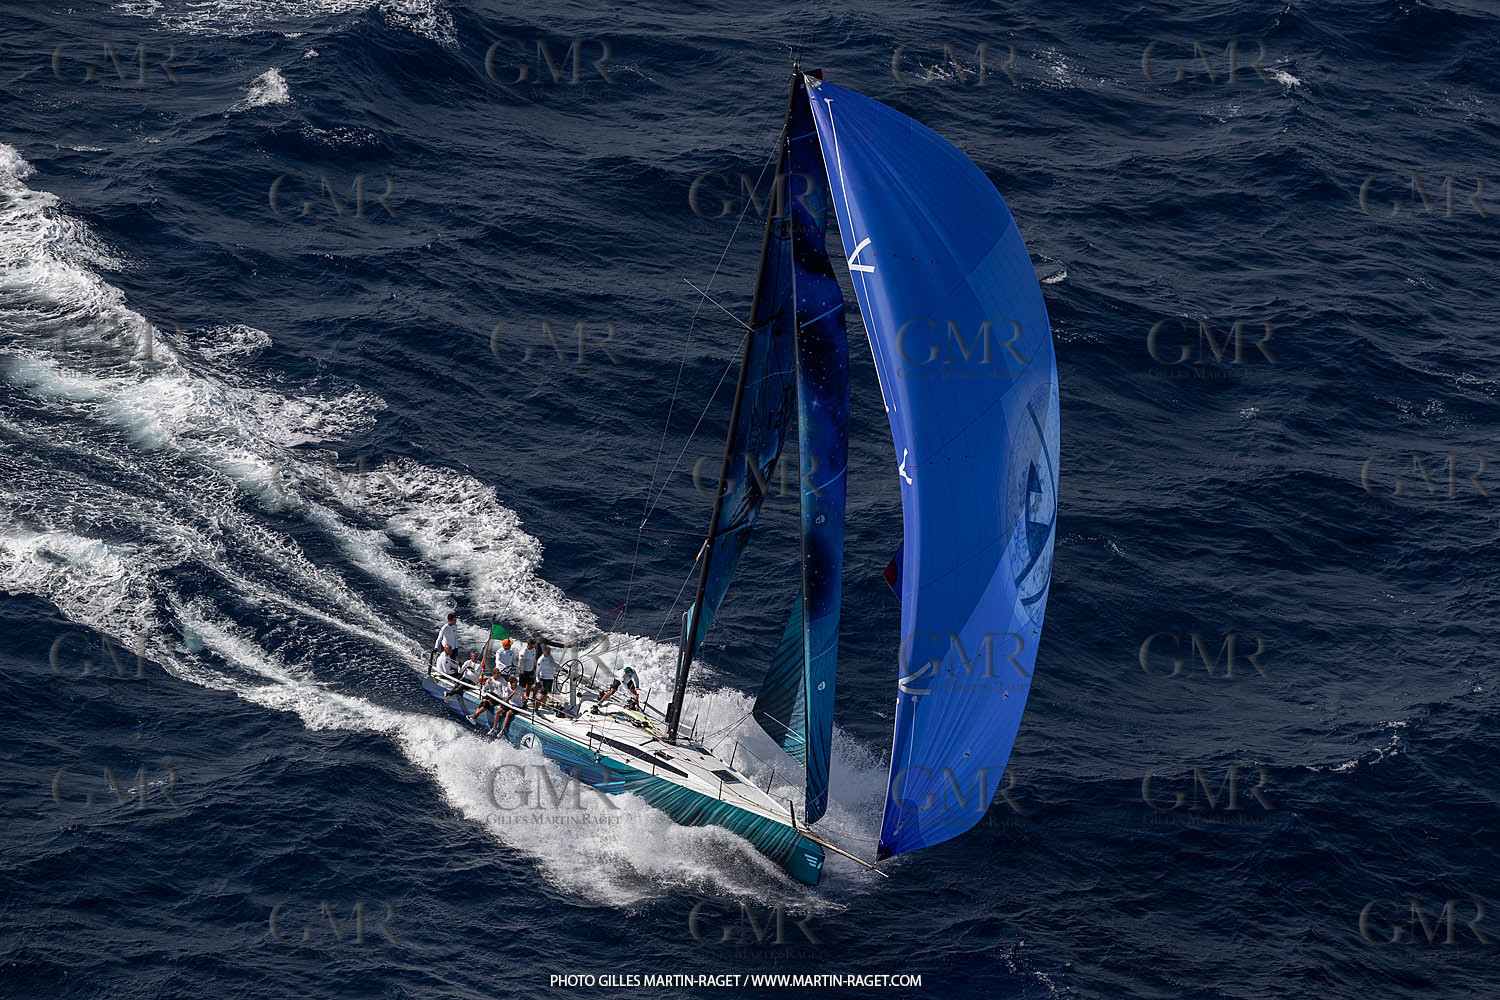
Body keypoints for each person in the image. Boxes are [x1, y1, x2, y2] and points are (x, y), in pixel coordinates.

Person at [535, 646, 559, 711]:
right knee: (543, 693)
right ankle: (536, 709)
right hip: (544, 678)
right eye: (547, 651)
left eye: (549, 650)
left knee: (546, 693)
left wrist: (562, 669)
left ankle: (543, 705)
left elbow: (554, 664)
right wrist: (537, 680)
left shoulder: (550, 657)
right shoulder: (540, 660)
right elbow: (537, 671)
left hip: (550, 678)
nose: (549, 652)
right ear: (543, 651)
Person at [517, 639, 539, 706]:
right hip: (523, 670)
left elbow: (534, 659)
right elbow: (520, 662)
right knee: (521, 686)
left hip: (531, 670)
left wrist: (535, 666)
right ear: (529, 644)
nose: (534, 645)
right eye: (533, 644)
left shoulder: (534, 649)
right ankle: (520, 698)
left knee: (529, 684)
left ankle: (527, 697)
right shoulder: (523, 652)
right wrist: (521, 671)